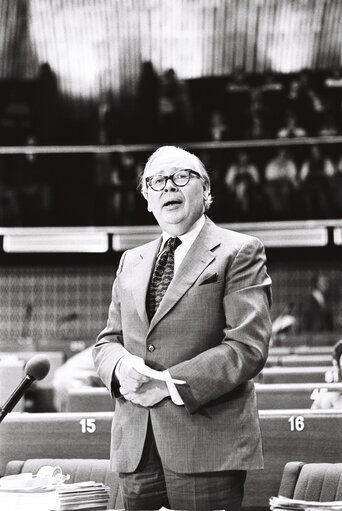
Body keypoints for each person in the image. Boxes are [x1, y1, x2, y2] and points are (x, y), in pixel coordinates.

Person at [93, 145, 272, 511]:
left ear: (206, 191)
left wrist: (166, 383)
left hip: (205, 447)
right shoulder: (131, 259)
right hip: (136, 448)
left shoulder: (239, 250)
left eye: (181, 177)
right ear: (146, 198)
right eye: (156, 181)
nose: (168, 187)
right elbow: (108, 341)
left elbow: (246, 348)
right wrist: (121, 367)